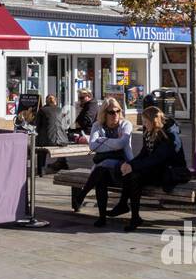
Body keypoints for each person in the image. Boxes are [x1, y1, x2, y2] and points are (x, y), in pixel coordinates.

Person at [117, 106, 187, 230]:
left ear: (153, 121)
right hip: (156, 169)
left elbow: (157, 158)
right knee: (130, 174)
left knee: (135, 176)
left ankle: (133, 216)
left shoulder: (169, 135)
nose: (143, 125)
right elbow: (144, 153)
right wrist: (130, 164)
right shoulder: (149, 131)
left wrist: (133, 166)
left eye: (145, 121)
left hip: (170, 172)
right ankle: (128, 210)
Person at [74, 97, 133, 225]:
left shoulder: (126, 124)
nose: (115, 115)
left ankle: (83, 193)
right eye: (111, 112)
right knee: (101, 177)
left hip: (124, 168)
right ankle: (102, 218)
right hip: (104, 171)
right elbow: (92, 146)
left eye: (118, 111)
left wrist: (102, 140)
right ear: (104, 114)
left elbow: (122, 143)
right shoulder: (97, 125)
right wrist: (112, 144)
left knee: (102, 166)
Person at [34, 94, 70, 176]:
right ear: (56, 102)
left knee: (40, 145)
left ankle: (41, 170)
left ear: (46, 102)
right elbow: (63, 125)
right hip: (62, 141)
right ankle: (63, 163)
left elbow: (37, 126)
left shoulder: (42, 110)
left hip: (47, 141)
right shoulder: (60, 110)